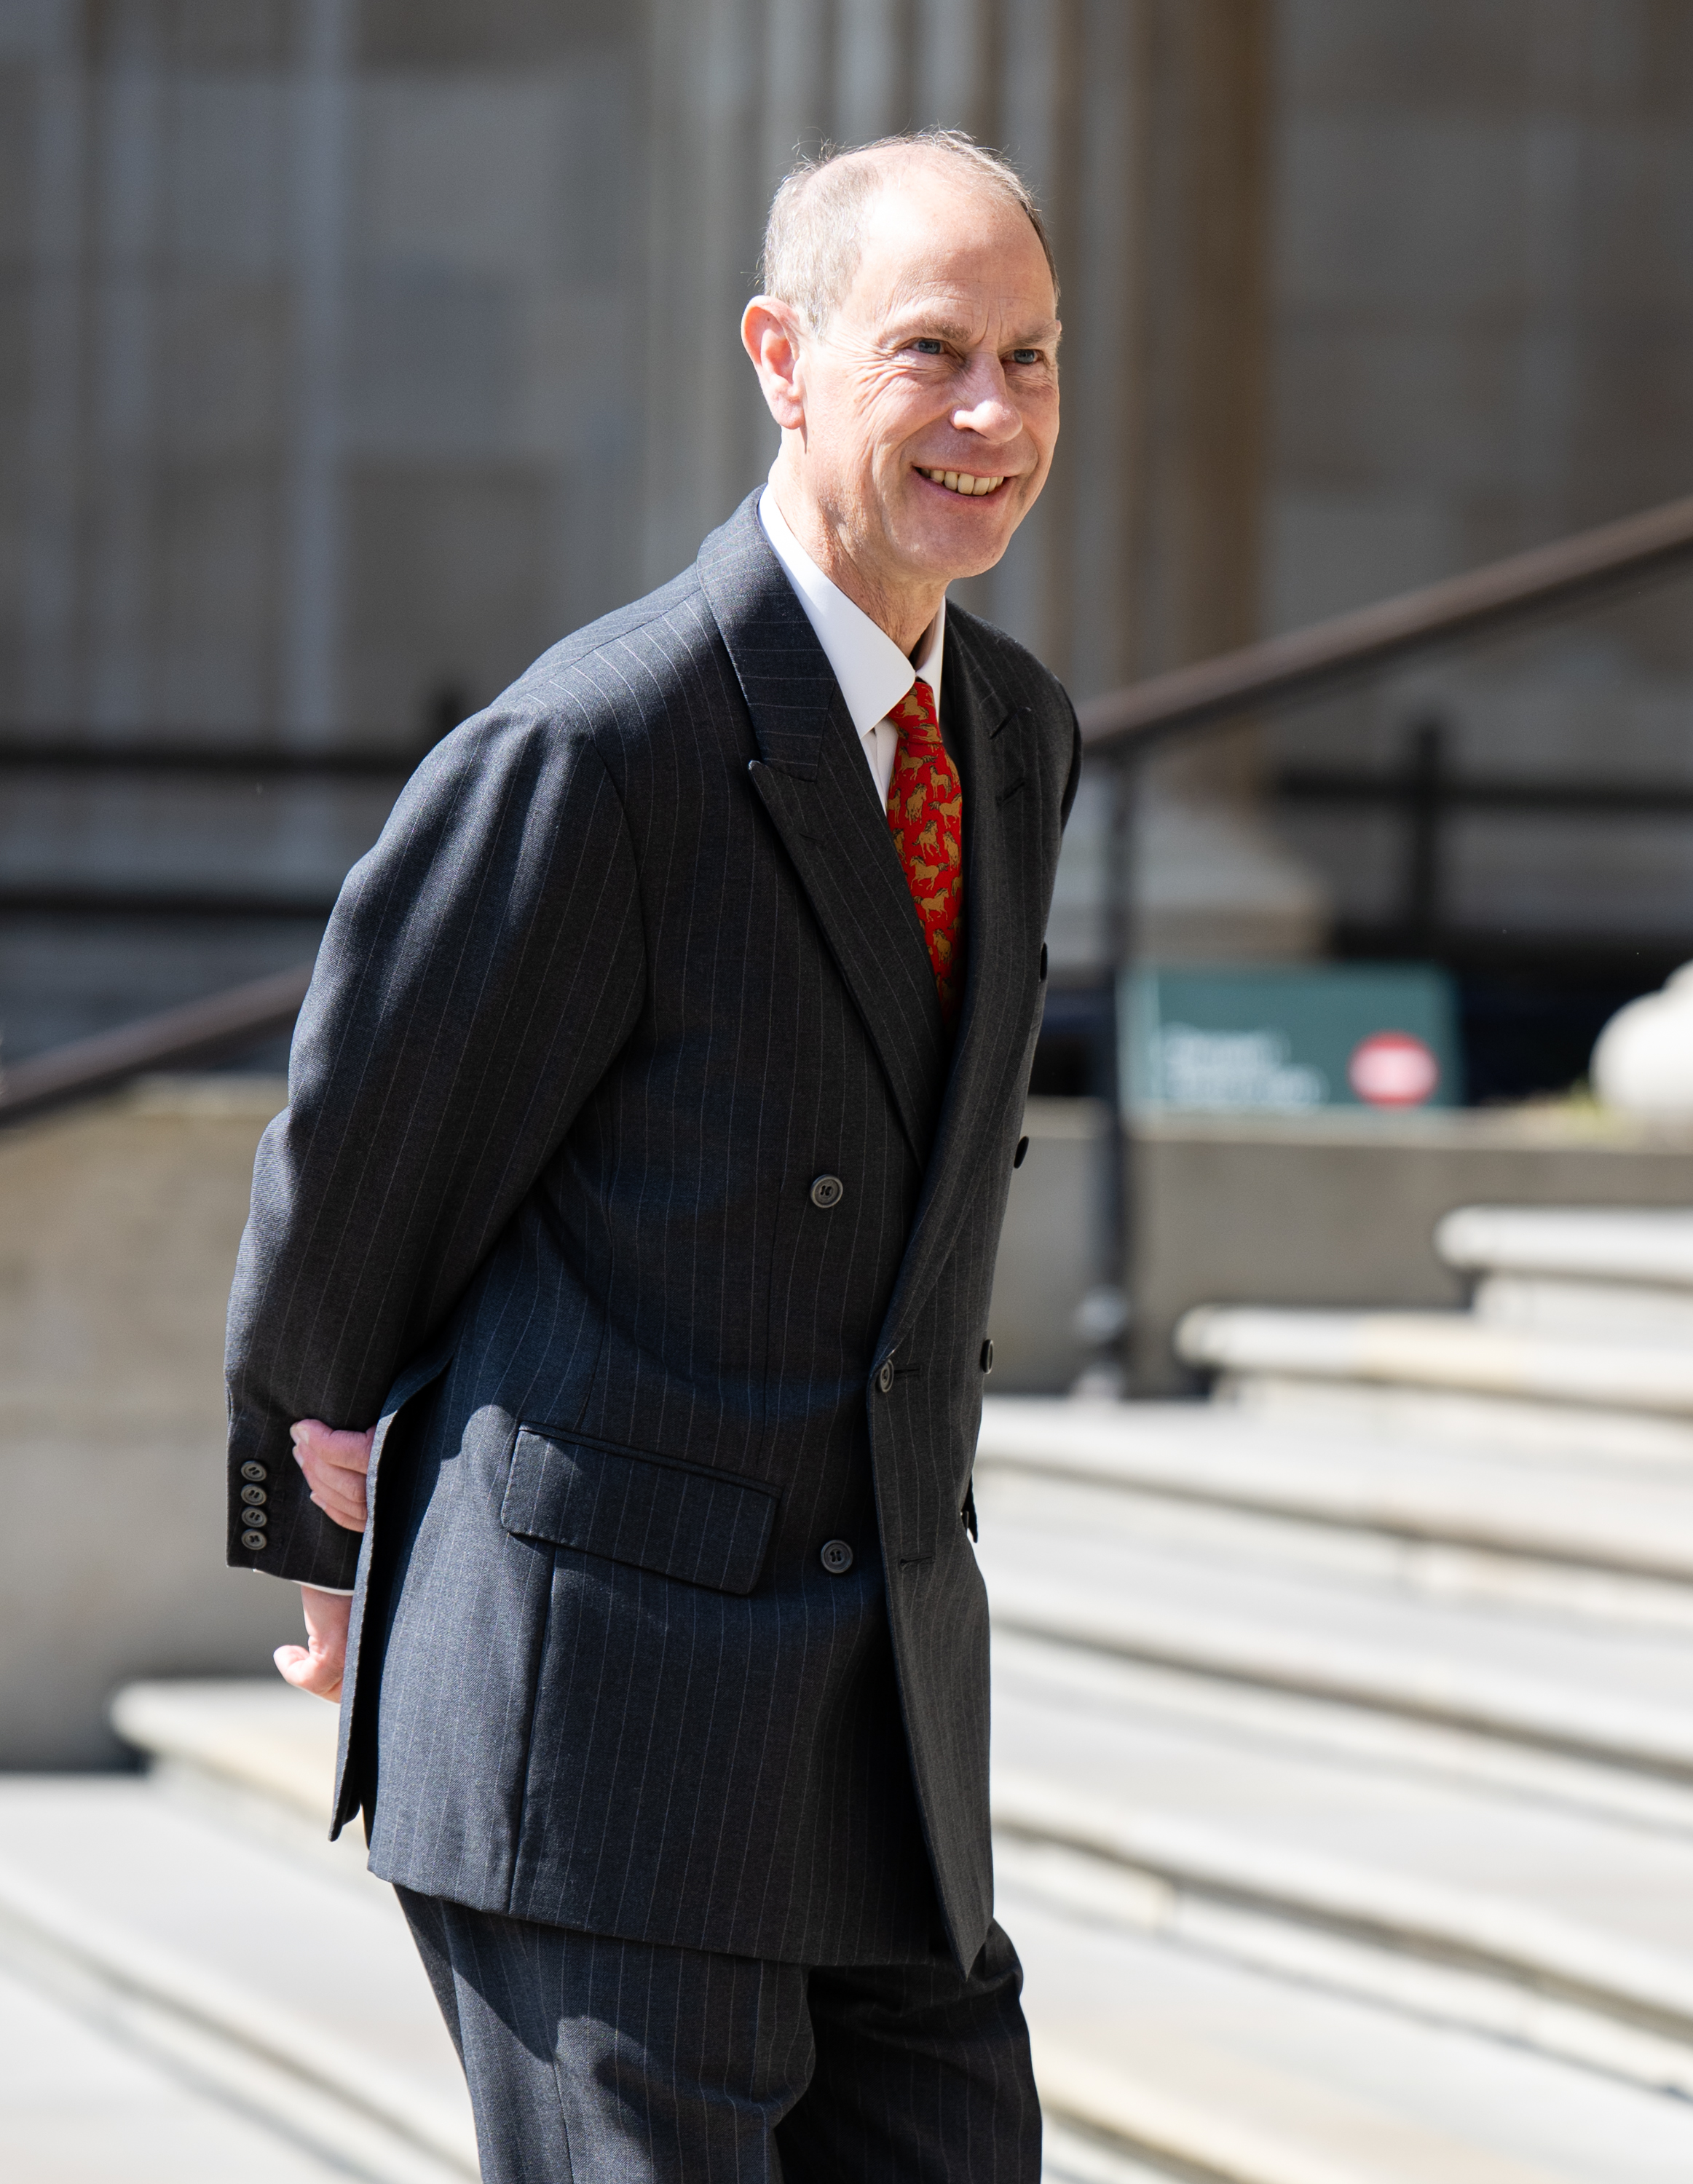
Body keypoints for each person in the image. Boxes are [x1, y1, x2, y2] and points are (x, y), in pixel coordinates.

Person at [226, 127, 1078, 2182]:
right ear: (783, 358)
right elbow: (359, 1174)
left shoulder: (1020, 734)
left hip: (880, 1732)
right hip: (603, 1730)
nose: (992, 417)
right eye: (933, 353)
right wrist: (320, 1548)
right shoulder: (594, 747)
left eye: (1035, 360)